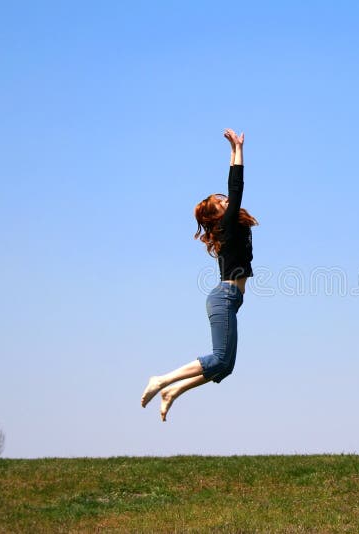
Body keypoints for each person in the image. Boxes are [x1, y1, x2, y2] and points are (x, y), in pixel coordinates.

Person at [141, 128, 259, 421]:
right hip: (225, 297)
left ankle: (173, 392)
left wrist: (234, 149)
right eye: (222, 203)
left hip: (230, 299)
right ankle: (162, 381)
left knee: (224, 366)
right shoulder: (226, 226)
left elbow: (233, 192)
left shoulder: (231, 227)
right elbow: (236, 186)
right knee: (220, 359)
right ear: (218, 215)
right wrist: (237, 150)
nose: (227, 201)